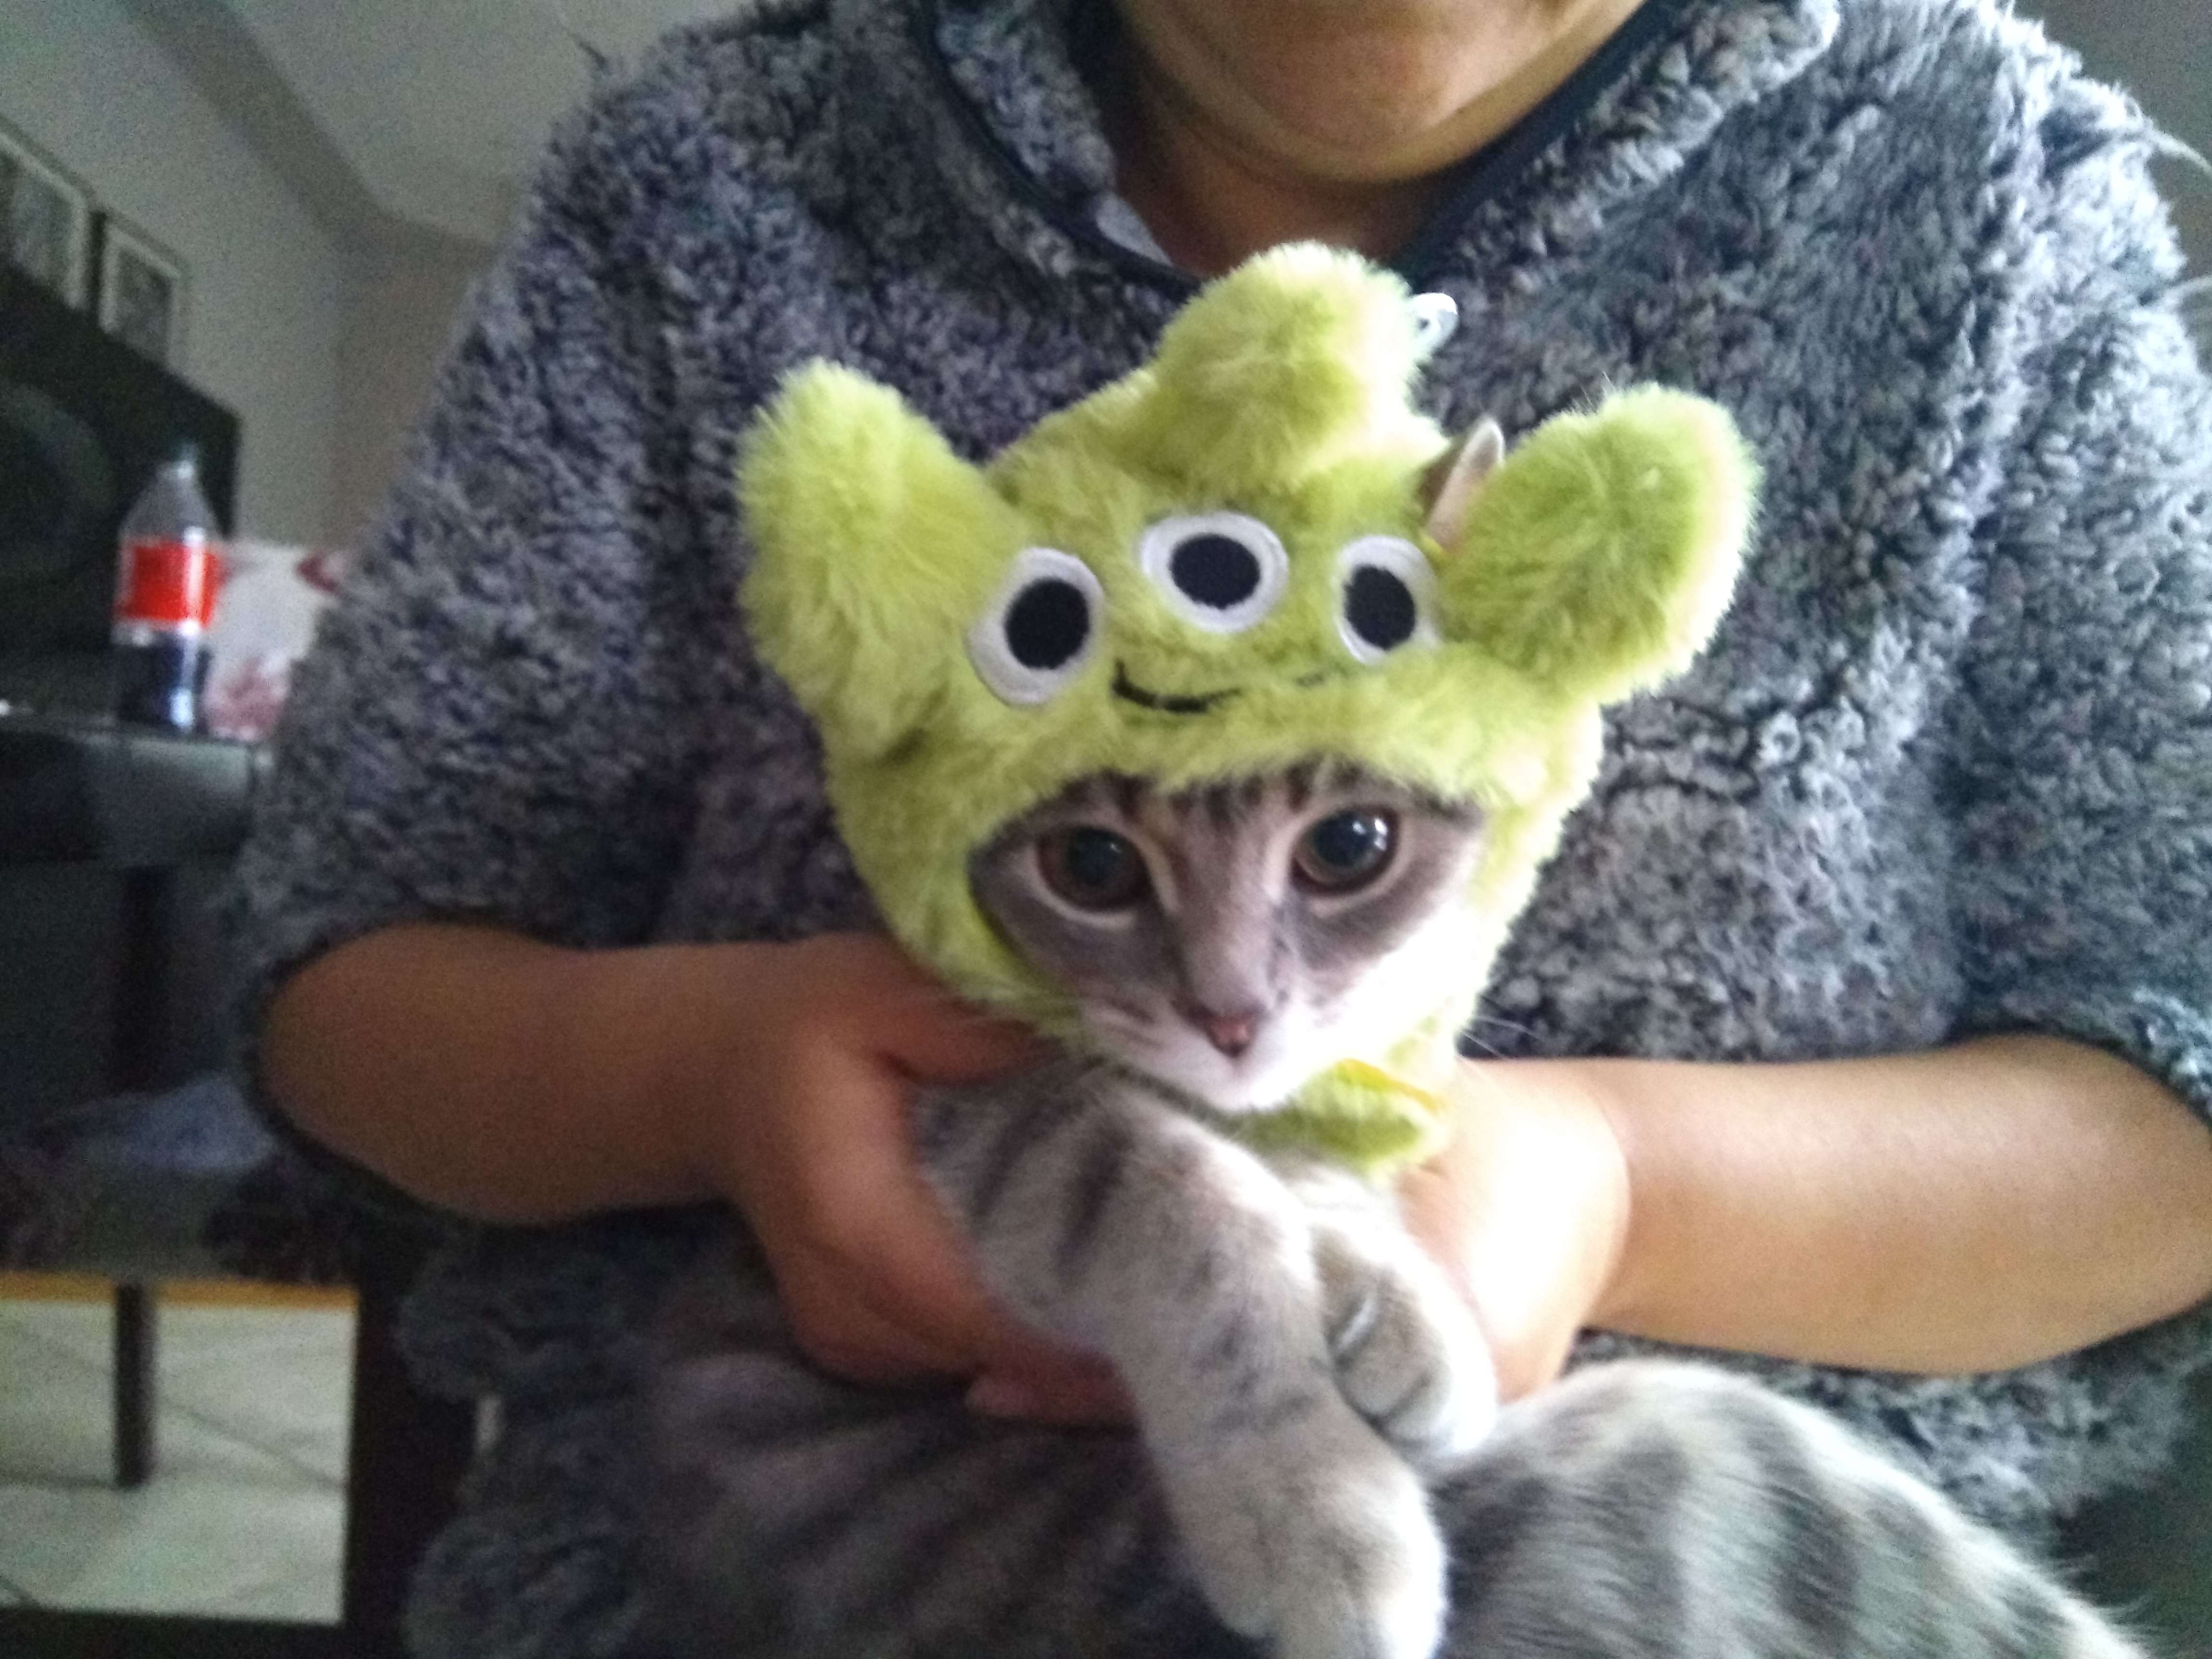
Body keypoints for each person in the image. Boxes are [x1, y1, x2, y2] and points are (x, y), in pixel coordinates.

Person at [239, 0, 2212, 1650]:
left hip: (1717, 1570)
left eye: (1344, 859)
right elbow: (349, 964)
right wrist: (713, 1072)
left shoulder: (1993, 196)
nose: (1234, 991)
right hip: (808, 1550)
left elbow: (2171, 1070)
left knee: (1688, 1484)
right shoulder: (706, 181)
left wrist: (1605, 1179)